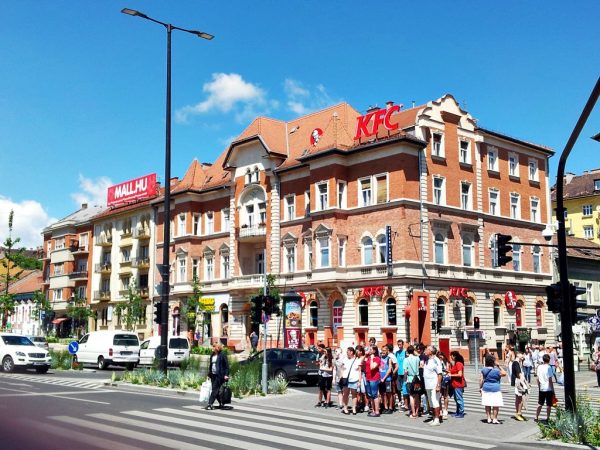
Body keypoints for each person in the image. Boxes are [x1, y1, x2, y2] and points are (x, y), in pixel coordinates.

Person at [480, 354, 506, 424]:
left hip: (486, 388)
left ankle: (488, 418)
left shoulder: (483, 370)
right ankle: (494, 418)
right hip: (495, 389)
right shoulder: (496, 371)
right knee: (495, 404)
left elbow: (481, 380)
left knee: (487, 404)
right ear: (493, 362)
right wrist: (499, 366)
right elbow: (504, 373)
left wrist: (480, 388)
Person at [205, 343, 229, 410]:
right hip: (213, 374)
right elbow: (211, 365)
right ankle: (221, 403)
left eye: (214, 346)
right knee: (216, 390)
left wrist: (226, 375)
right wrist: (209, 374)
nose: (212, 347)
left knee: (214, 389)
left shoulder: (222, 355)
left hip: (220, 375)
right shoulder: (212, 355)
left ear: (217, 347)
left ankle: (210, 404)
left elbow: (227, 366)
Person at [423, 346, 443, 426]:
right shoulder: (427, 360)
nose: (425, 350)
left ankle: (437, 419)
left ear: (431, 351)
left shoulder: (436, 360)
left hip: (434, 385)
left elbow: (440, 374)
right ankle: (434, 417)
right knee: (431, 403)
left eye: (427, 349)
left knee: (435, 401)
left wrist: (438, 385)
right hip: (428, 385)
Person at [341, 346, 361, 415]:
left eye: (347, 352)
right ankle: (345, 408)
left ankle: (354, 408)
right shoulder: (345, 359)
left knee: (354, 394)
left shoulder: (357, 360)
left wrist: (359, 381)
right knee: (345, 394)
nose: (347, 353)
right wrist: (341, 376)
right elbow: (342, 368)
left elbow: (359, 371)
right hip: (346, 379)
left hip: (354, 379)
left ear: (351, 352)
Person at [535, 354, 554, 423]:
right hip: (548, 388)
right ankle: (547, 418)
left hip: (541, 388)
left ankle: (536, 416)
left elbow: (537, 378)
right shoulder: (549, 368)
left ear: (543, 360)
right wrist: (553, 390)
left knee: (540, 403)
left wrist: (539, 386)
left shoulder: (539, 367)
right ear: (549, 360)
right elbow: (550, 380)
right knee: (548, 405)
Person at [404, 345, 421, 419]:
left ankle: (413, 412)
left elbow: (405, 371)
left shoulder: (406, 359)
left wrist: (405, 379)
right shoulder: (417, 358)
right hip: (417, 378)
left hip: (410, 379)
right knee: (417, 395)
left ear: (407, 351)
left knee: (411, 395)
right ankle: (417, 412)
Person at [365, 345, 382, 417]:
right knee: (370, 395)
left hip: (374, 379)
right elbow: (362, 362)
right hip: (368, 378)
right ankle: (373, 410)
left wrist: (372, 359)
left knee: (374, 395)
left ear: (374, 351)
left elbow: (372, 367)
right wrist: (365, 355)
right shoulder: (368, 357)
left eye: (370, 349)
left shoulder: (377, 358)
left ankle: (377, 411)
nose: (369, 350)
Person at [512, 352, 528, 421]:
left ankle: (519, 413)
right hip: (518, 382)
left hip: (517, 382)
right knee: (520, 399)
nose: (523, 356)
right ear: (518, 355)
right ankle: (518, 413)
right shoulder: (516, 363)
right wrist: (524, 384)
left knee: (518, 398)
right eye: (522, 355)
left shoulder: (518, 363)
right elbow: (519, 374)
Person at [379, 344, 395, 414]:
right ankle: (385, 407)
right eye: (382, 350)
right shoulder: (379, 358)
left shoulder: (389, 359)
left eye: (384, 350)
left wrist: (384, 377)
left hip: (387, 379)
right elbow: (378, 368)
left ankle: (390, 407)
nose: (383, 352)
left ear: (387, 351)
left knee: (389, 393)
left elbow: (389, 370)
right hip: (380, 379)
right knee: (383, 394)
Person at [449, 351, 465, 418]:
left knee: (459, 399)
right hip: (455, 384)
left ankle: (461, 412)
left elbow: (460, 374)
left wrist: (451, 375)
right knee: (456, 399)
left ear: (454, 356)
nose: (451, 357)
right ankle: (458, 412)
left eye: (451, 356)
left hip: (458, 384)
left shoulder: (458, 364)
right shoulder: (456, 364)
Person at [437, 351, 450, 419]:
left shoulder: (446, 362)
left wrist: (444, 370)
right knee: (439, 396)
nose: (440, 357)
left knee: (445, 396)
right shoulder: (436, 362)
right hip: (439, 380)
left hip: (445, 380)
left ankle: (445, 410)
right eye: (439, 356)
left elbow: (448, 370)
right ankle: (440, 410)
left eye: (441, 356)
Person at [395, 340, 408, 410]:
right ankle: (400, 401)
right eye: (398, 345)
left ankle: (405, 402)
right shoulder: (396, 353)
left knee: (404, 388)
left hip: (404, 373)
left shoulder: (405, 352)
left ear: (403, 344)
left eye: (400, 344)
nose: (399, 346)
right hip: (398, 373)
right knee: (398, 388)